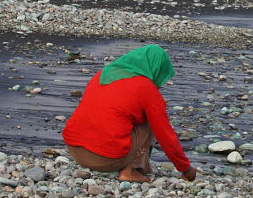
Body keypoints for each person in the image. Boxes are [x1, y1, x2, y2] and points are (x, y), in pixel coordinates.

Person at [62, 45, 197, 183]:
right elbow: (166, 136)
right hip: (103, 160)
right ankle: (130, 170)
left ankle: (132, 165)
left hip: (75, 151)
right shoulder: (146, 88)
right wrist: (185, 168)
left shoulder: (102, 75)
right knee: (152, 122)